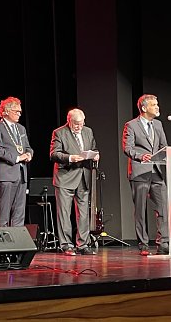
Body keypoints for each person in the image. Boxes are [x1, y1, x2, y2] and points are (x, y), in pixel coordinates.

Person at [122, 94, 169, 256]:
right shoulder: (131, 125)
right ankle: (143, 244)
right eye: (154, 105)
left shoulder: (158, 124)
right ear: (144, 108)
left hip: (157, 171)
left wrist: (166, 155)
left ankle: (164, 242)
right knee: (140, 210)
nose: (157, 107)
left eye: (157, 104)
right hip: (140, 171)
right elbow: (128, 148)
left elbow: (164, 146)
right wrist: (141, 156)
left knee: (163, 208)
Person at [50, 108, 99, 256]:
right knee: (64, 213)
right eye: (76, 123)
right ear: (69, 121)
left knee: (83, 213)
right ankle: (66, 245)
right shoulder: (59, 132)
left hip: (84, 177)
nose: (79, 126)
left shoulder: (88, 131)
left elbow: (93, 147)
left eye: (81, 123)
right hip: (66, 177)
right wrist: (70, 158)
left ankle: (83, 244)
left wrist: (95, 155)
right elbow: (53, 154)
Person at [0, 97, 33, 227]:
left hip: (21, 173)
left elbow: (28, 147)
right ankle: (3, 242)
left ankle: (17, 240)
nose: (19, 114)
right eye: (16, 111)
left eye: (20, 111)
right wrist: (17, 158)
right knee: (4, 210)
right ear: (6, 111)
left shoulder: (21, 129)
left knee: (19, 210)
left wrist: (29, 154)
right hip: (6, 173)